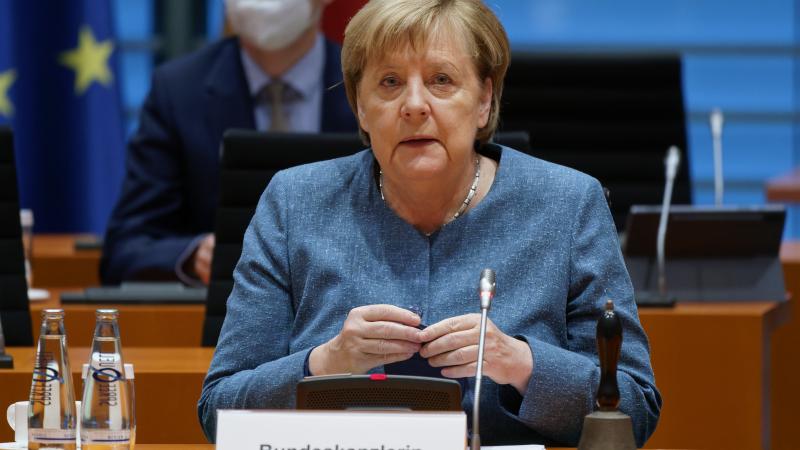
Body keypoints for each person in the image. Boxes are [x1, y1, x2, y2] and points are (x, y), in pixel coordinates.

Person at [198, 0, 661, 446]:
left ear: (484, 100)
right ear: (360, 106)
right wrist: (324, 362)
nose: (414, 105)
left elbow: (634, 410)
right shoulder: (293, 203)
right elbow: (219, 412)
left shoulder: (568, 204)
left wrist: (522, 363)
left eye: (441, 80)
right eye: (390, 82)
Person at [100, 0, 358, 286]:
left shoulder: (373, 86)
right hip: (218, 315)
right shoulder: (178, 91)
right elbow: (126, 248)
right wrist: (194, 255)